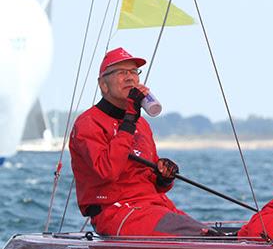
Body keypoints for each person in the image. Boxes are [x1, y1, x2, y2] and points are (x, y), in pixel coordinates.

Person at [69, 47, 212, 236]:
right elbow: (107, 171)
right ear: (103, 84)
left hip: (153, 207)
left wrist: (164, 176)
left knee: (213, 234)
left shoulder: (141, 124)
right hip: (116, 212)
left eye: (133, 72)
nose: (129, 78)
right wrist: (129, 120)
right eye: (121, 72)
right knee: (199, 236)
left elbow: (153, 182)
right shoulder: (88, 123)